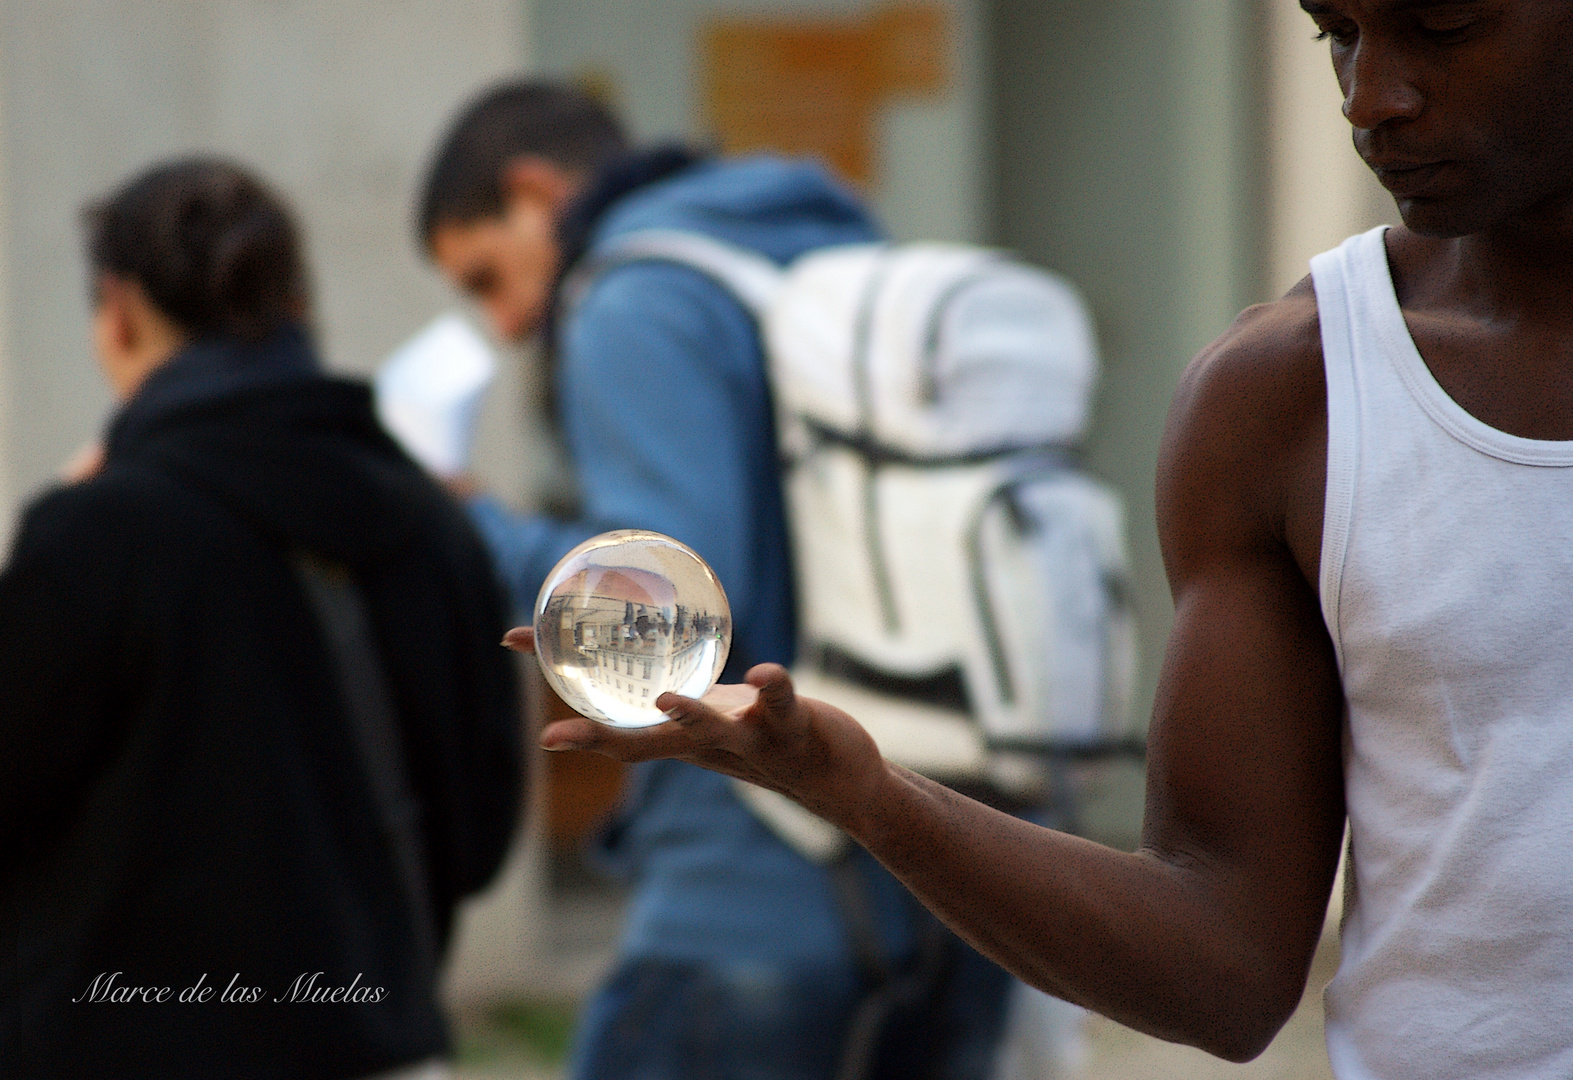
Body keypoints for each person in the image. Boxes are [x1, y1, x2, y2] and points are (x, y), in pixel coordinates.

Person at [510, 3, 1573, 1077]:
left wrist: (487, 534)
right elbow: (1223, 968)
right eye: (1332, 31)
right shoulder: (1293, 394)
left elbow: (672, 551)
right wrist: (868, 796)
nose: (1365, 96)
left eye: (1441, 23)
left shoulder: (630, 298)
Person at [418, 81, 1018, 1079]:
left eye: (487, 277)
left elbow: (659, 617)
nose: (510, 322)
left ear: (533, 193)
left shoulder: (631, 297)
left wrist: (465, 517)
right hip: (960, 877)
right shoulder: (827, 248)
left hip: (752, 899)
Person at [0, 158, 525, 1079]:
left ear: (117, 313)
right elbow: (478, 838)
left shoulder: (96, 533)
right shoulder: (435, 527)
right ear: (297, 306)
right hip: (382, 1045)